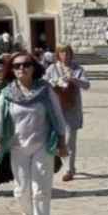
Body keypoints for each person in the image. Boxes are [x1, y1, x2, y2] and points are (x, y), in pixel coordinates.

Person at [0, 51, 68, 215]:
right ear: (12, 69)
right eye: (16, 66)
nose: (21, 68)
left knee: (41, 190)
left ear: (34, 67)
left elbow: (58, 116)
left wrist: (62, 141)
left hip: (43, 145)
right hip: (17, 147)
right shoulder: (7, 93)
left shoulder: (45, 90)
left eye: (26, 64)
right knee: (22, 190)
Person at [45, 45, 91, 181]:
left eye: (67, 52)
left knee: (69, 140)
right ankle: (65, 165)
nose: (65, 55)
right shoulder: (52, 68)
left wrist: (74, 79)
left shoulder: (78, 69)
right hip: (56, 108)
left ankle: (69, 170)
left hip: (72, 108)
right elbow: (43, 83)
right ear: (58, 54)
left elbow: (87, 85)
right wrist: (54, 82)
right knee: (58, 140)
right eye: (62, 52)